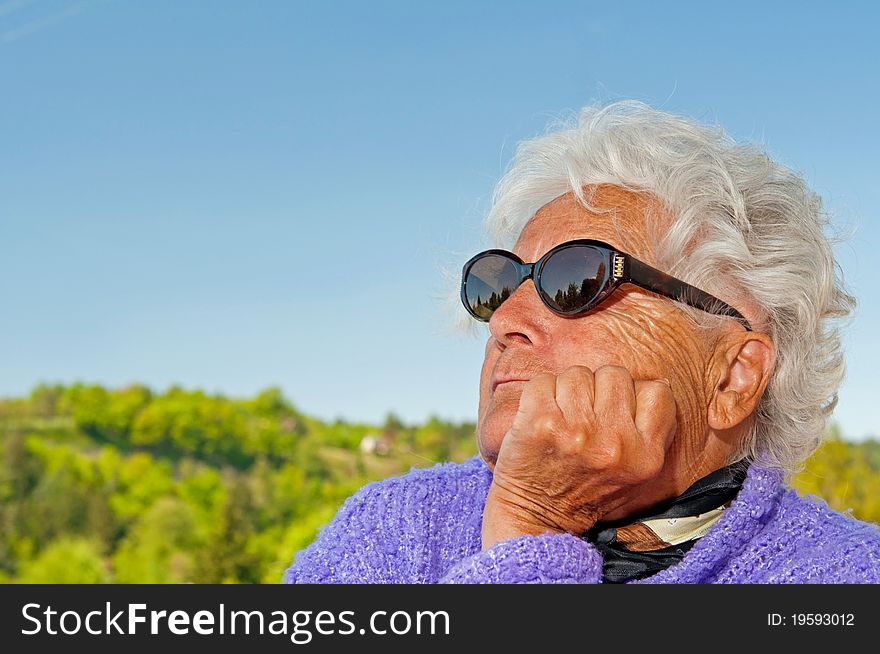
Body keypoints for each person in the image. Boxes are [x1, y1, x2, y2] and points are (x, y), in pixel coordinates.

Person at [284, 101, 880, 583]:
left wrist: (532, 532)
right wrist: (536, 518)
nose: (504, 319)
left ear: (731, 375)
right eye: (497, 285)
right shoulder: (394, 529)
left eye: (575, 278)